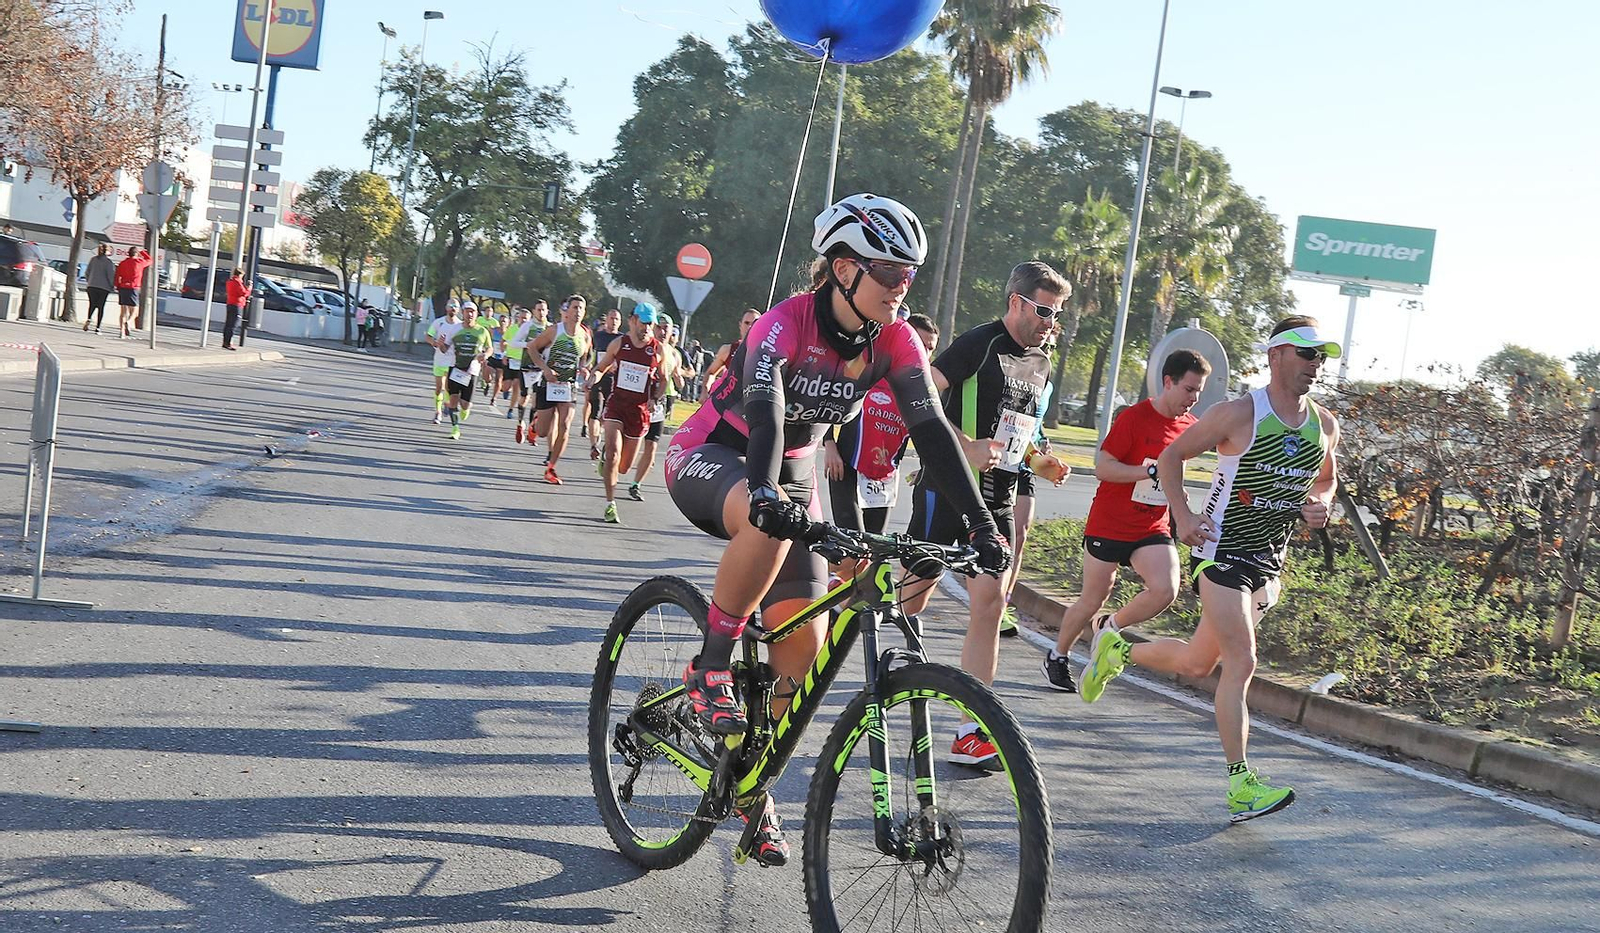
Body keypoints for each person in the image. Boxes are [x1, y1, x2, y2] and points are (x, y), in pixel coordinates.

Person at [664, 193, 1010, 866]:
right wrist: (764, 492)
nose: (901, 287)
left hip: (792, 477)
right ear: (844, 267)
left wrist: (983, 523)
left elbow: (932, 430)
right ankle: (710, 666)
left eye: (910, 274)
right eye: (890, 272)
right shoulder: (782, 326)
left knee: (801, 650)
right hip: (717, 454)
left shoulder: (898, 338)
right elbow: (764, 418)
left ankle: (750, 785)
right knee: (768, 530)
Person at [1079, 316, 1342, 824]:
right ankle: (1240, 784)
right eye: (1306, 354)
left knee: (1200, 665)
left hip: (1269, 559)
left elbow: (1325, 480)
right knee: (1241, 661)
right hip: (1220, 552)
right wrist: (1181, 516)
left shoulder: (1323, 424)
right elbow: (1173, 455)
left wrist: (1319, 504)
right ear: (1277, 356)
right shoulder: (1238, 414)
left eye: (1321, 357)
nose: (1316, 365)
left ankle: (1117, 644)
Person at [898, 260, 1071, 771]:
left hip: (995, 500)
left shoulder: (1042, 360)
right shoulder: (981, 342)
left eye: (1057, 315)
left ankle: (971, 730)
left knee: (991, 605)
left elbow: (1020, 427)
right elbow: (919, 390)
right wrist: (965, 446)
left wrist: (1040, 456)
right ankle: (883, 678)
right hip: (945, 490)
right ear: (1016, 301)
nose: (1050, 323)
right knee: (909, 601)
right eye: (1044, 310)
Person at [1041, 349, 1210, 692]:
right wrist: (1148, 470)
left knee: (1165, 589)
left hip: (1152, 527)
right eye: (1189, 390)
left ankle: (1109, 626)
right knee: (1092, 597)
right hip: (1109, 524)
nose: (1193, 399)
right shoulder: (1134, 418)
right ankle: (1058, 654)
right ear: (1168, 382)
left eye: (1199, 392)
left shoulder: (1191, 428)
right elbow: (1103, 467)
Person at [822, 312, 940, 535]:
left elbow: (928, 431)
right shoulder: (868, 363)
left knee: (875, 548)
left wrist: (926, 468)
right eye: (919, 343)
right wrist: (829, 444)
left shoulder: (921, 388)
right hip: (847, 467)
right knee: (852, 545)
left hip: (885, 478)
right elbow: (828, 394)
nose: (923, 352)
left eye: (930, 348)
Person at [592, 303, 665, 523]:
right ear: (632, 320)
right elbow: (601, 368)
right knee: (613, 455)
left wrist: (655, 398)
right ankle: (610, 504)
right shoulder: (618, 344)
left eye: (650, 323)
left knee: (623, 468)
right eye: (644, 322)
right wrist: (592, 378)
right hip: (617, 406)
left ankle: (609, 461)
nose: (647, 327)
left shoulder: (658, 349)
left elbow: (664, 379)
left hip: (640, 412)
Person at [528, 294, 591, 485]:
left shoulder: (585, 335)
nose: (578, 311)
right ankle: (535, 424)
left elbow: (586, 357)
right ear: (567, 310)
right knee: (543, 432)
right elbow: (532, 348)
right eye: (574, 308)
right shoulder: (555, 331)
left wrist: (584, 368)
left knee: (565, 425)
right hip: (548, 384)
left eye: (581, 308)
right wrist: (546, 369)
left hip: (568, 386)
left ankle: (551, 468)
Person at [627, 313, 686, 501]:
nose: (662, 332)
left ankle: (636, 485)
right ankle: (611, 453)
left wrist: (679, 380)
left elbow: (679, 380)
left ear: (671, 332)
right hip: (639, 402)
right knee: (630, 445)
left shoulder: (674, 354)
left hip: (658, 404)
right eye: (659, 327)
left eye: (666, 329)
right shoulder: (647, 347)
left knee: (651, 446)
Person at [441, 303, 492, 440]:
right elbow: (444, 348)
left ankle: (465, 409)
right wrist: (441, 344)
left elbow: (489, 348)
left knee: (465, 404)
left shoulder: (482, 331)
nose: (470, 314)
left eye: (473, 312)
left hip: (472, 371)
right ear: (462, 313)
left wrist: (485, 355)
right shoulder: (455, 329)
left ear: (476, 314)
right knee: (453, 399)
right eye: (467, 311)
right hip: (455, 367)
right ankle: (455, 428)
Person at [586, 307, 625, 457]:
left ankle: (601, 435)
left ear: (620, 322)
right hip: (598, 376)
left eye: (616, 319)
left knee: (608, 414)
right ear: (606, 320)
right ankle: (593, 445)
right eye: (611, 318)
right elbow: (590, 355)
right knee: (595, 411)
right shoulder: (598, 336)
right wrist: (588, 370)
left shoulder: (622, 339)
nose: (613, 321)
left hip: (614, 380)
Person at [699, 307, 760, 397]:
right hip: (730, 403)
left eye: (754, 323)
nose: (750, 327)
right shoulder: (728, 350)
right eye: (746, 323)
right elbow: (711, 373)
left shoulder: (767, 352)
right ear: (740, 325)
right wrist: (705, 390)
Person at [425, 299, 464, 424]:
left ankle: (446, 404)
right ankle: (438, 412)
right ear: (446, 308)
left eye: (455, 306)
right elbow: (428, 336)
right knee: (438, 388)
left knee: (448, 387)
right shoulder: (439, 322)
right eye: (450, 306)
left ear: (458, 310)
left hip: (452, 360)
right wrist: (435, 343)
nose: (452, 308)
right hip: (439, 360)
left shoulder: (460, 325)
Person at [114, 247, 151, 340]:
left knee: (123, 311)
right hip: (133, 288)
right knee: (135, 311)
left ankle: (122, 332)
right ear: (136, 254)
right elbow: (150, 260)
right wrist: (143, 252)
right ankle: (129, 322)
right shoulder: (140, 262)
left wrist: (117, 285)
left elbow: (117, 275)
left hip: (123, 287)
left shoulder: (122, 263)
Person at [83, 244, 116, 334]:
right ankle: (98, 327)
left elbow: (87, 272)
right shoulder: (108, 262)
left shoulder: (93, 260)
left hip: (92, 285)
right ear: (107, 252)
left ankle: (89, 318)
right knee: (101, 307)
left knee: (92, 304)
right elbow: (110, 276)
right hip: (103, 287)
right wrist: (112, 286)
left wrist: (89, 281)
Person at [221, 268, 251, 351]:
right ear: (240, 275)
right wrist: (249, 288)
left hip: (230, 303)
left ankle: (225, 342)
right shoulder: (237, 282)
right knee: (233, 324)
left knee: (228, 324)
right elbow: (243, 293)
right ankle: (228, 343)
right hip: (237, 305)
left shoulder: (229, 281)